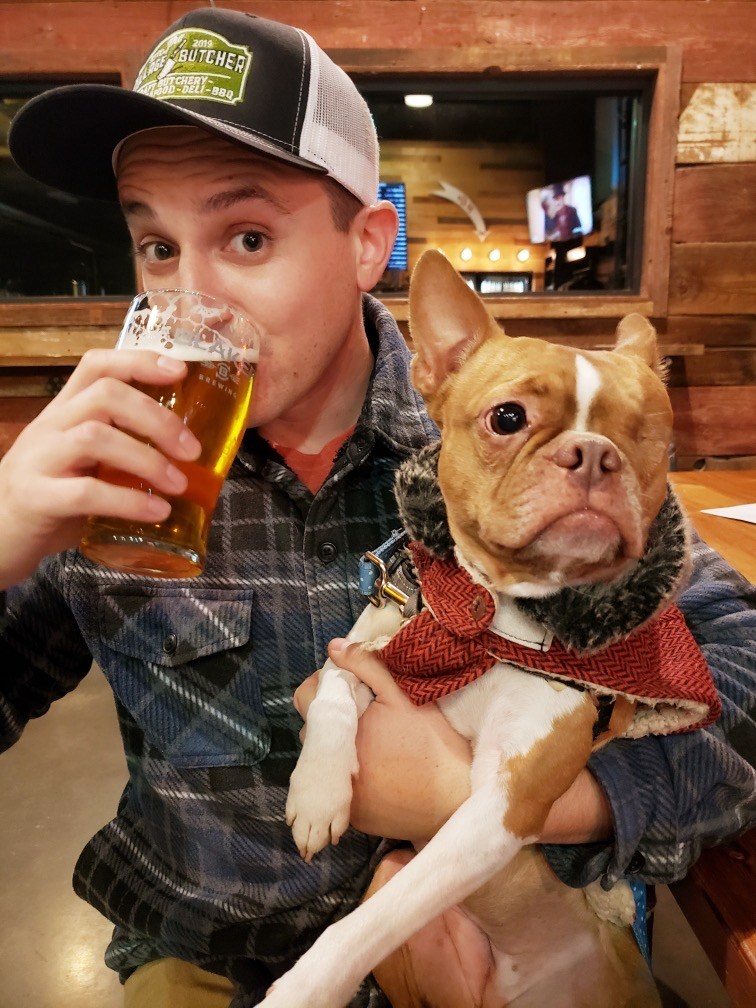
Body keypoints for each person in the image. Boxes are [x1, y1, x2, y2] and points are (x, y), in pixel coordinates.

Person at [1, 7, 754, 1007]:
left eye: (249, 235)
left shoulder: (504, 433)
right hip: (220, 966)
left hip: (507, 925)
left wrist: (545, 803)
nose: (199, 301)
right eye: (157, 248)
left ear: (369, 244)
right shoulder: (120, 468)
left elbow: (741, 684)